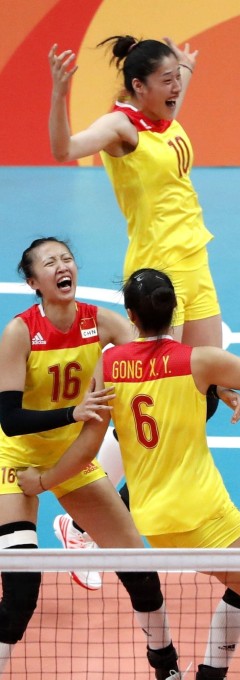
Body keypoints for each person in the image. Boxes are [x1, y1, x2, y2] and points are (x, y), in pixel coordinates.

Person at [17, 269, 240, 680]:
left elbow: (88, 449)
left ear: (131, 315)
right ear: (175, 310)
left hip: (153, 521)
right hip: (203, 515)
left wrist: (43, 481)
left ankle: (209, 675)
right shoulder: (200, 361)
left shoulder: (108, 363)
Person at [48, 35, 240, 578]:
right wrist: (60, 94)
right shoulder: (120, 128)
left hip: (196, 263)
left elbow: (171, 118)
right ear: (138, 87)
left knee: (199, 398)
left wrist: (187, 72)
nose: (176, 87)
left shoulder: (165, 113)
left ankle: (112, 517)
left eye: (178, 78)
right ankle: (84, 525)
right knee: (152, 394)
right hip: (160, 275)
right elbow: (64, 149)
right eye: (166, 80)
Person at [0, 238, 182, 679]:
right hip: (16, 462)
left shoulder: (99, 321)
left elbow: (158, 354)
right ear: (33, 282)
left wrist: (213, 384)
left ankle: (167, 665)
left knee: (139, 568)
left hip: (73, 459)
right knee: (23, 591)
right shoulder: (20, 332)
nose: (63, 266)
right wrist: (73, 413)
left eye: (66, 258)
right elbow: (8, 418)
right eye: (50, 263)